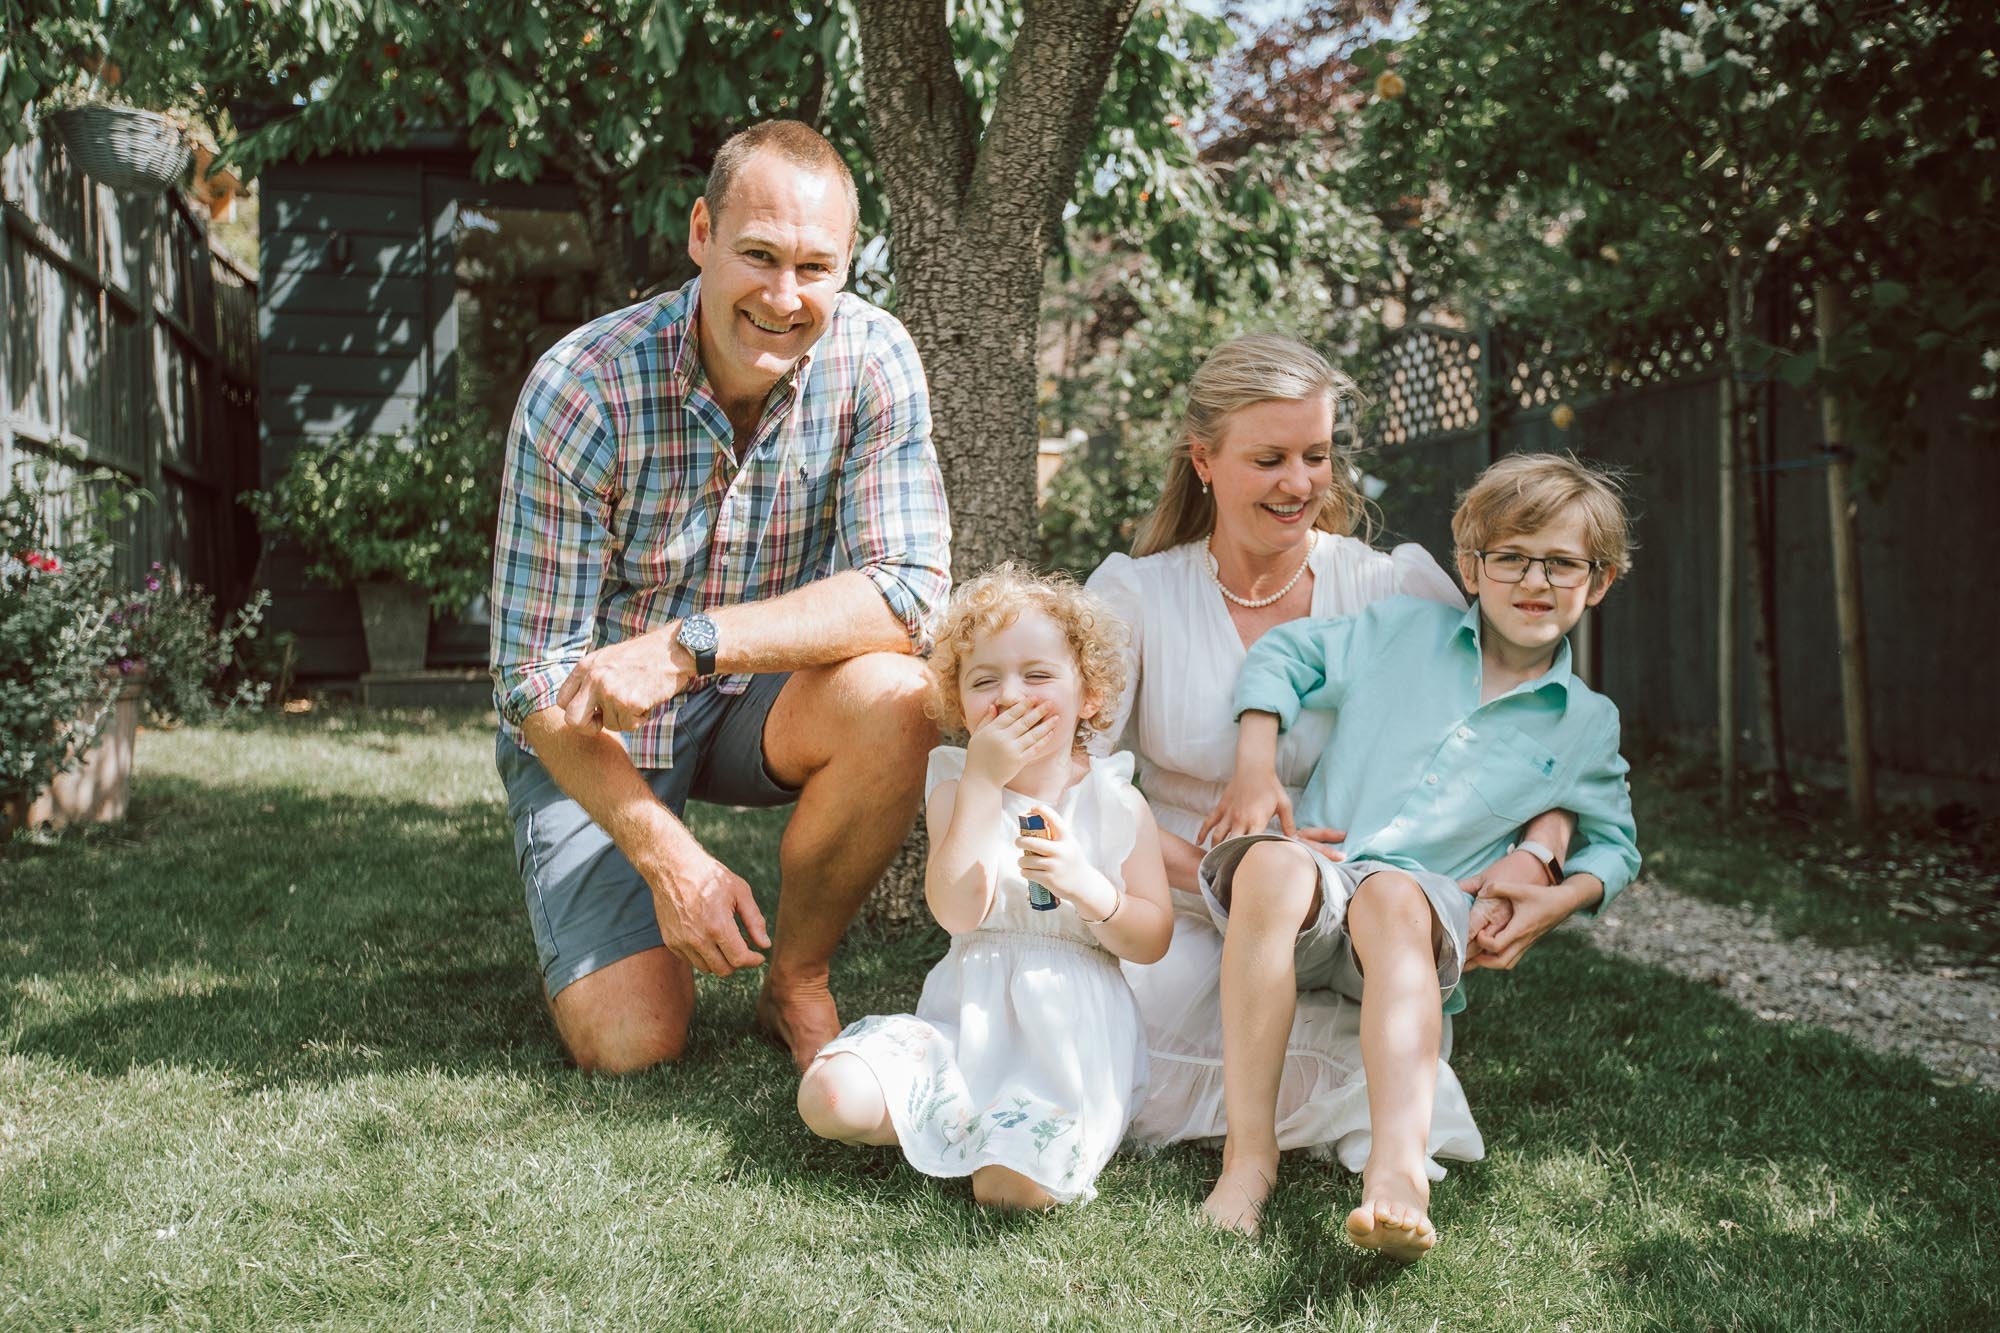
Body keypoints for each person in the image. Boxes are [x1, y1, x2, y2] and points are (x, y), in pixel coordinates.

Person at [1084, 334, 1581, 1225]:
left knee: (1361, 988)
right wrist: (1205, 874)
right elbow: (1078, 776)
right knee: (1111, 1049)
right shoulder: (1135, 595)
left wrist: (1542, 861)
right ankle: (1253, 1152)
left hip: (1359, 918)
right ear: (1203, 460)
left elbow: (1527, 730)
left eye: (1316, 455)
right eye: (1269, 458)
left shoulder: (1391, 587)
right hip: (1178, 903)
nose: (1299, 482)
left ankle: (1375, 1151)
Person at [489, 120, 951, 1076]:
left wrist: (691, 644)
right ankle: (630, 891)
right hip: (597, 727)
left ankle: (798, 977)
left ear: (848, 264)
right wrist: (674, 863)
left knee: (905, 696)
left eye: (816, 267)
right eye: (759, 257)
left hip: (755, 696)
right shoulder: (582, 388)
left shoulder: (874, 358)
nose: (785, 298)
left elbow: (912, 591)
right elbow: (529, 673)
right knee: (633, 1042)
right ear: (702, 231)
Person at [1201, 451, 1642, 1260]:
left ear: (1600, 580)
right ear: (1471, 567)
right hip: (1316, 891)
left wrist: (1561, 894)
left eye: (1562, 562)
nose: (1534, 580)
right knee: (1268, 862)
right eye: (1510, 556)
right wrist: (1256, 760)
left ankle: (1398, 1174)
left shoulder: (1585, 722)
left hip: (1417, 919)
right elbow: (1283, 657)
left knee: (1395, 895)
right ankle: (1247, 1160)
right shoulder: (1401, 630)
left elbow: (1615, 841)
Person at [796, 564, 1173, 1207]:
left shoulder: (1115, 803)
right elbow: (956, 911)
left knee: (1008, 1188)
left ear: (1090, 695)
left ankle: (1011, 1137)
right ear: (960, 703)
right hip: (963, 1029)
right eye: (984, 680)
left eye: (1039, 675)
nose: (1011, 694)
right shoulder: (955, 788)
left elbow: (1152, 939)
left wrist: (1088, 887)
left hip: (1068, 1047)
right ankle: (950, 1115)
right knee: (829, 1097)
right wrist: (982, 782)